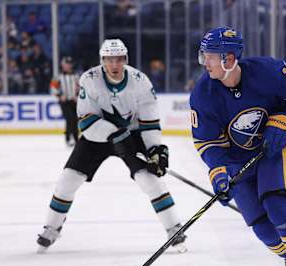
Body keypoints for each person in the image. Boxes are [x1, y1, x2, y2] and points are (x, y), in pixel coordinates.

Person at [189, 27, 286, 266]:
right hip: (237, 162)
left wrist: (284, 120)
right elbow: (208, 143)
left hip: (274, 150)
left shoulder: (269, 72)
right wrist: (219, 172)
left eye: (210, 56)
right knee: (262, 227)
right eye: (203, 54)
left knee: (278, 208)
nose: (205, 62)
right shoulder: (203, 94)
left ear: (229, 59)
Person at [37, 39, 187, 254]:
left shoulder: (140, 82)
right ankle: (52, 228)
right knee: (68, 180)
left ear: (125, 60)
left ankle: (174, 228)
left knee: (149, 179)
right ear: (102, 61)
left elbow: (150, 122)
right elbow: (86, 122)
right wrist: (114, 134)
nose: (114, 65)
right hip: (96, 137)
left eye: (119, 59)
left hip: (132, 135)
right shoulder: (89, 79)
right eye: (109, 60)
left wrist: (155, 150)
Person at [50, 56, 80, 147]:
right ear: (63, 65)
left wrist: (78, 96)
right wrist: (60, 95)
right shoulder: (58, 77)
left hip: (74, 102)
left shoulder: (76, 76)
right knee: (70, 118)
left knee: (74, 120)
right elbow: (53, 88)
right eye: (66, 64)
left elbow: (81, 87)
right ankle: (69, 138)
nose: (68, 66)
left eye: (69, 64)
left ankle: (75, 138)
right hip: (64, 102)